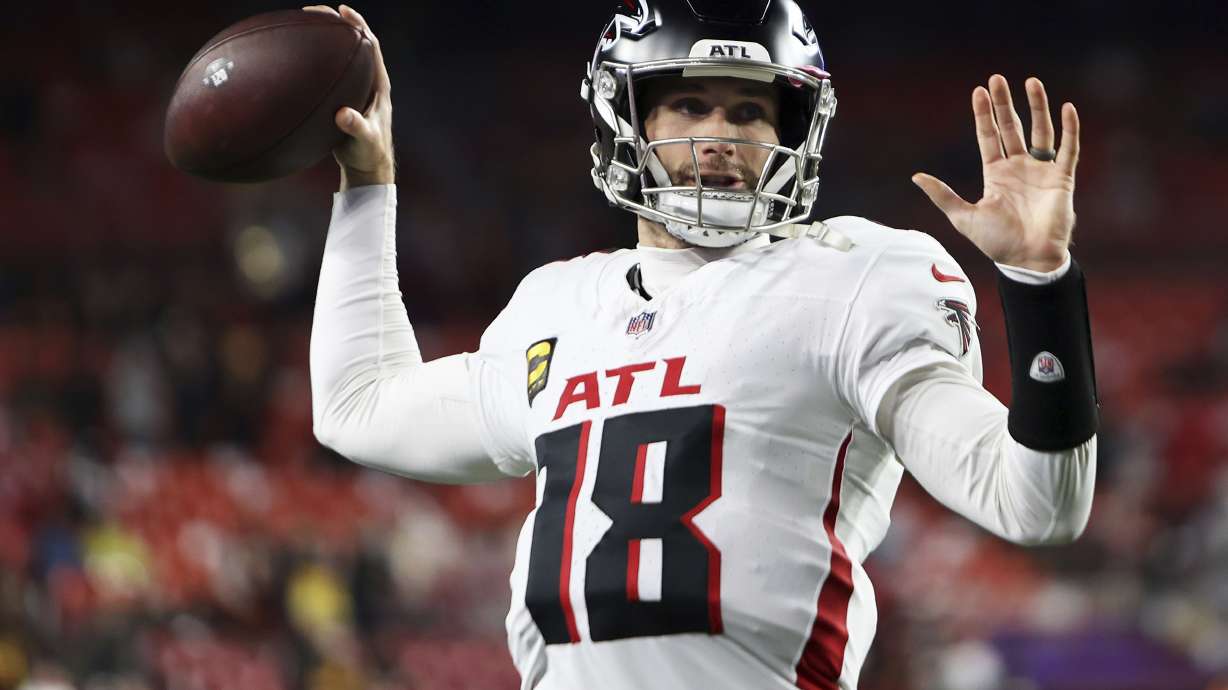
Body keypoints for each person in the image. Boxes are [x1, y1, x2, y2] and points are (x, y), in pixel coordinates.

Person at [304, 2, 1098, 688]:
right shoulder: (559, 305)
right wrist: (367, 186)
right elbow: (357, 406)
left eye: (750, 114)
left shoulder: (852, 278)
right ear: (630, 119)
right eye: (688, 105)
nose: (720, 136)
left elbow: (1036, 503)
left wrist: (1039, 282)